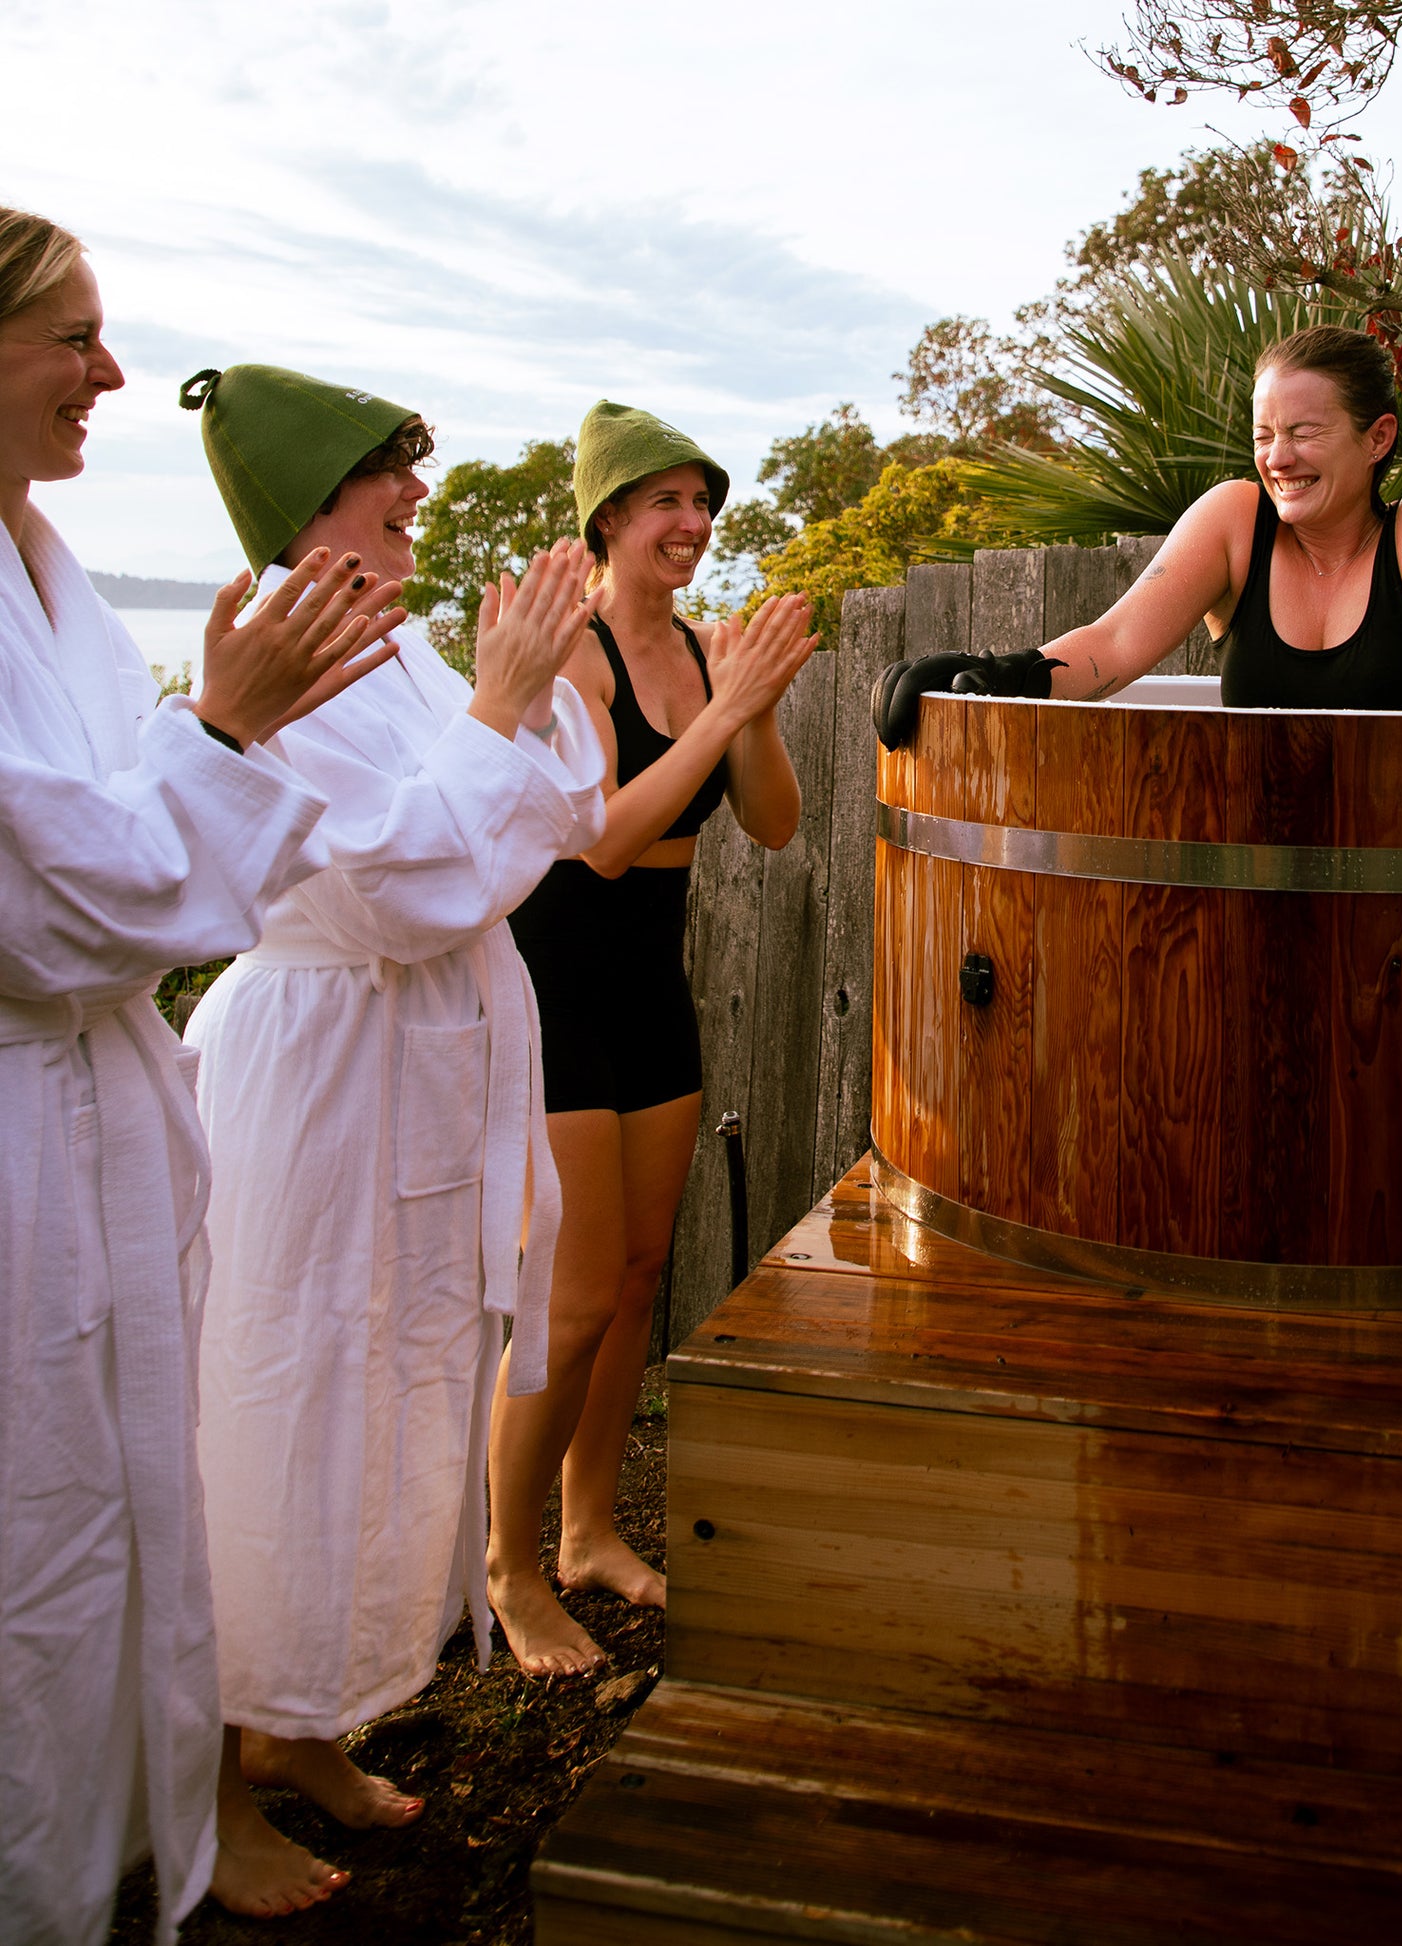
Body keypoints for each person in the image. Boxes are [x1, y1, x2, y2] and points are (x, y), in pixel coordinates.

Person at [0, 211, 402, 1945]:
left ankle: (112, 1848)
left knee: (104, 1528)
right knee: (38, 1536)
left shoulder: (47, 569)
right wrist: (226, 729)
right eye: (74, 338)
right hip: (29, 1112)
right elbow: (57, 901)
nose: (107, 374)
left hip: (98, 1105)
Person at [177, 364, 609, 1912]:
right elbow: (399, 883)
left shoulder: (401, 646)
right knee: (276, 1411)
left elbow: (558, 818)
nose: (419, 500)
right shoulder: (273, 663)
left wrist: (528, 686)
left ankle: (297, 1722)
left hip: (420, 1062)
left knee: (391, 1394)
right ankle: (211, 1793)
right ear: (313, 511)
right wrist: (500, 709)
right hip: (318, 1075)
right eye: (388, 481)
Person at [490, 401, 814, 1676]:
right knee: (565, 1303)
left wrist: (757, 711)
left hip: (651, 986)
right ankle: (510, 1571)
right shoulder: (571, 656)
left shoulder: (700, 652)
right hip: (557, 977)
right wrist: (720, 713)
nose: (692, 523)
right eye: (664, 501)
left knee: (634, 1279)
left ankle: (584, 1534)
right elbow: (608, 840)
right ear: (608, 518)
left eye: (702, 501)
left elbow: (777, 827)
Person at [872, 324, 1402, 789]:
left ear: (1378, 438)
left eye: (1306, 432)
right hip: (1249, 871)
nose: (1278, 458)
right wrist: (1001, 675)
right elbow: (1117, 642)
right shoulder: (1236, 519)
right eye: (1264, 434)